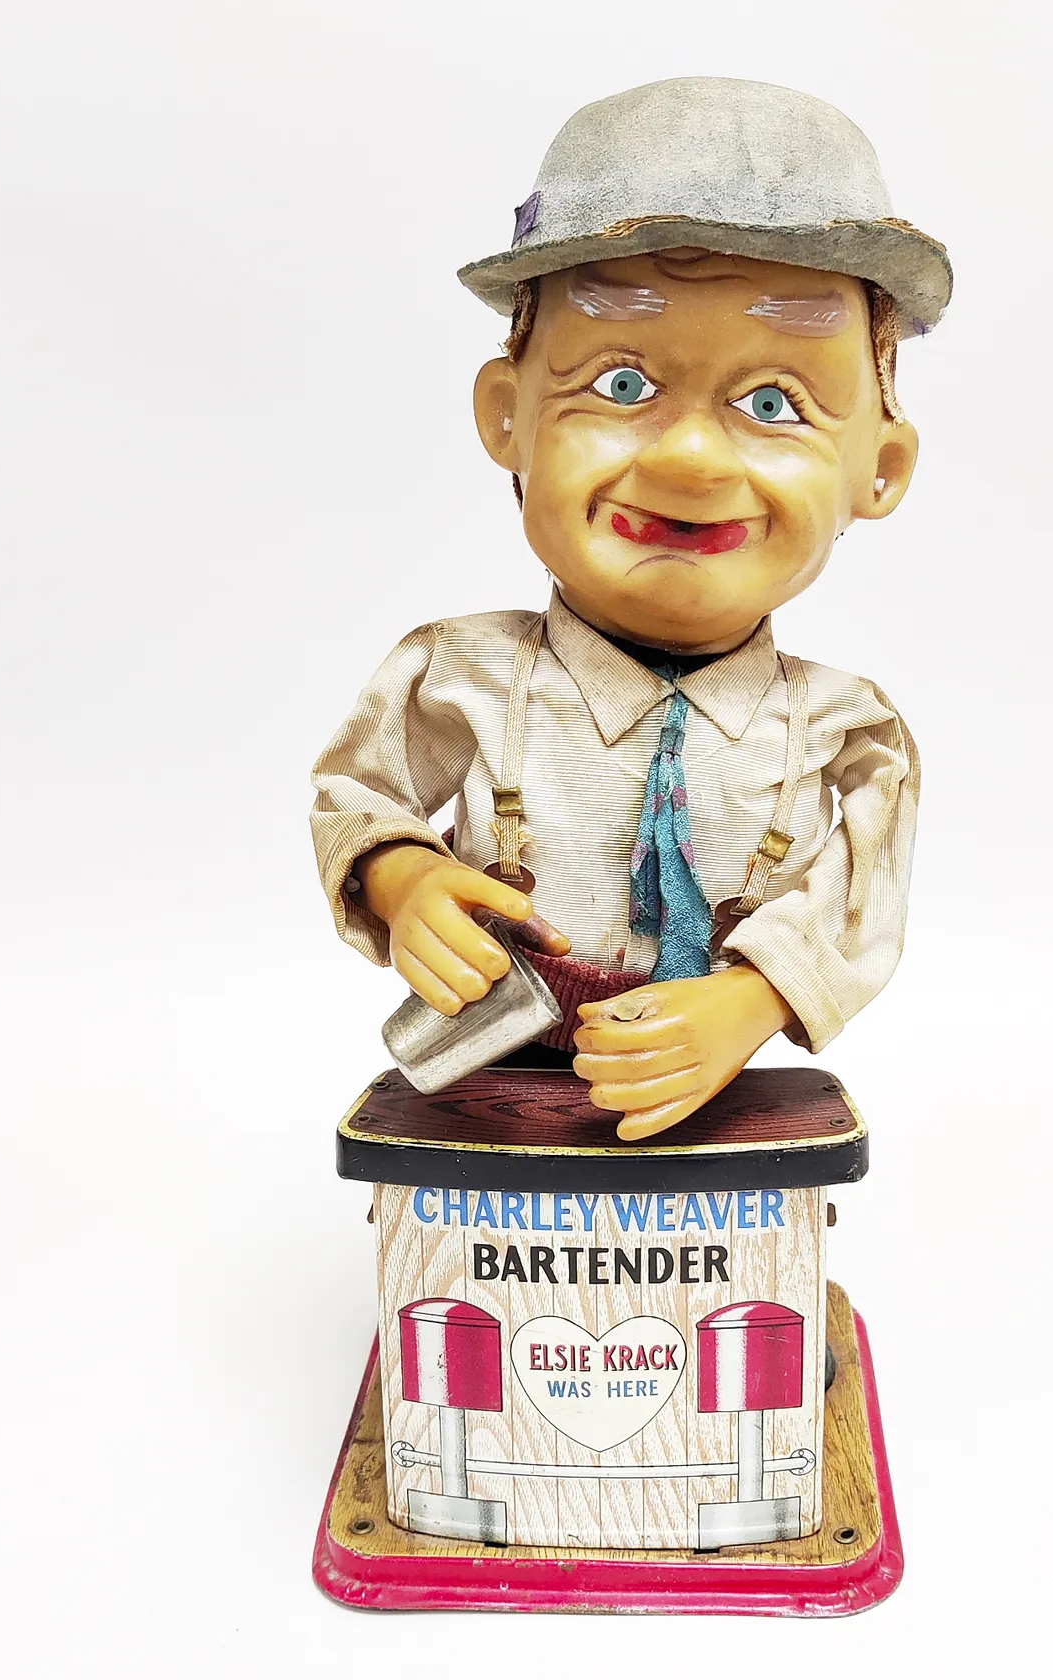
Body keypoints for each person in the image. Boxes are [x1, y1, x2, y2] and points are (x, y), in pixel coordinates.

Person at [310, 77, 952, 1139]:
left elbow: (862, 895)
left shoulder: (847, 734)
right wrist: (405, 880)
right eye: (620, 386)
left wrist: (751, 1001)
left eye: (773, 404)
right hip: (492, 1050)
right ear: (507, 416)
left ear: (878, 470)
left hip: (698, 1083)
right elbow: (358, 794)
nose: (691, 457)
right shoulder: (459, 676)